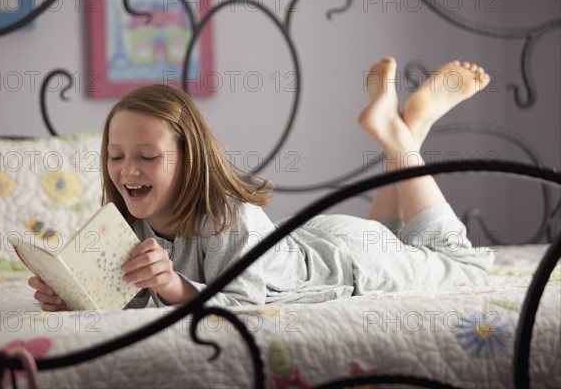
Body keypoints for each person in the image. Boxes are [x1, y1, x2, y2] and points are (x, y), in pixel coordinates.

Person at [29, 56, 494, 311]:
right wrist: (72, 296)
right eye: (115, 156)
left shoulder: (227, 216)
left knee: (461, 264)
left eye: (148, 157)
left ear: (190, 161)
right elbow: (127, 302)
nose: (128, 170)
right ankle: (409, 130)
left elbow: (243, 305)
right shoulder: (124, 224)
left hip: (350, 259)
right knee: (402, 238)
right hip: (311, 241)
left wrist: (173, 285)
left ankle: (399, 137)